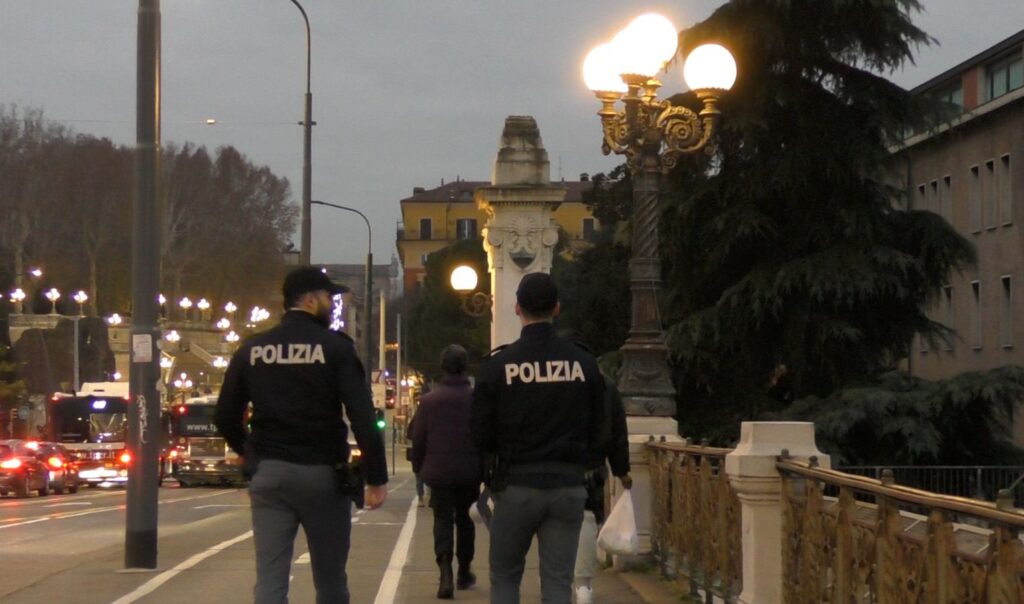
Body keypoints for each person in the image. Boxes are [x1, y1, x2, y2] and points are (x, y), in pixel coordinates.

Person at [214, 266, 389, 604]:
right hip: (322, 475)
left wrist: (250, 454)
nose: (331, 304)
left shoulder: (253, 348)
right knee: (330, 580)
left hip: (270, 474)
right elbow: (363, 417)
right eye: (327, 297)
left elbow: (224, 415)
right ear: (309, 300)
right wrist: (376, 477)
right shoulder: (335, 348)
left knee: (270, 580)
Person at [472, 272, 607, 604]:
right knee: (558, 583)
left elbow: (479, 432)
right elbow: (601, 426)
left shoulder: (499, 366)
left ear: (517, 308)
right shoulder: (583, 363)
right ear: (557, 308)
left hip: (515, 486)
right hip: (567, 485)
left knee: (505, 579)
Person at [410, 344, 482, 599]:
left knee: (442, 520)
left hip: (439, 471)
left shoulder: (429, 401)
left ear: (443, 367)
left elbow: (418, 439)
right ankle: (464, 570)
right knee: (466, 520)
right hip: (470, 471)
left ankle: (445, 572)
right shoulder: (476, 399)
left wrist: (419, 468)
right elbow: (485, 435)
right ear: (465, 366)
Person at [573, 375, 631, 604]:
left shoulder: (554, 376)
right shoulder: (604, 384)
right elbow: (617, 431)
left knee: (552, 524)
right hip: (592, 466)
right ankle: (583, 585)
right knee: (586, 520)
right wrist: (621, 469)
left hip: (557, 463)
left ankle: (556, 579)